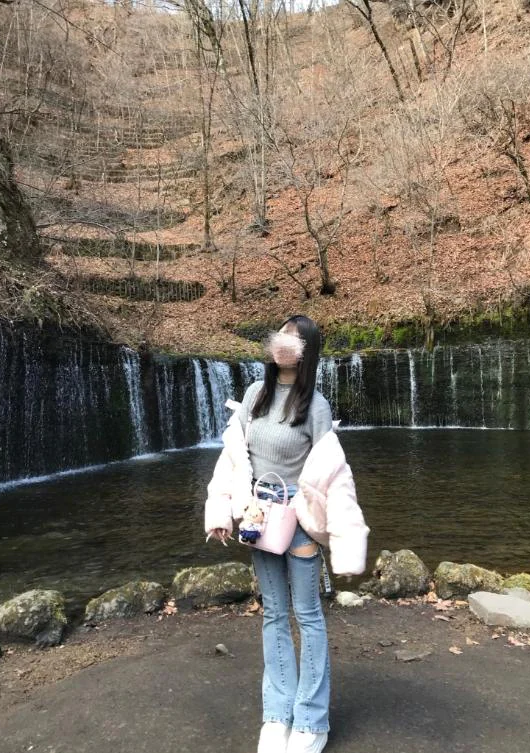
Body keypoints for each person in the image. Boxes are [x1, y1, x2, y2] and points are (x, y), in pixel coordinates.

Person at [204, 315, 369, 753]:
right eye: (281, 334)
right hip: (259, 515)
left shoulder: (316, 406)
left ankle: (312, 721)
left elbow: (336, 477)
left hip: (298, 517)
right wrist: (221, 510)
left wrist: (345, 543)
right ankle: (277, 715)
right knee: (274, 614)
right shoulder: (254, 395)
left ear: (307, 350)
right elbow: (233, 459)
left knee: (307, 616)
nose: (284, 343)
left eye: (295, 338)